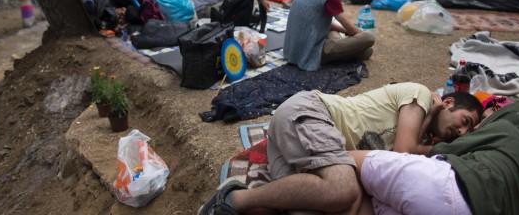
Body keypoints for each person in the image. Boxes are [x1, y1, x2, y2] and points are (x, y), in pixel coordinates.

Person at [198, 83, 484, 215]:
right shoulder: (419, 95)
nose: (460, 132)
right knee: (342, 189)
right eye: (464, 122)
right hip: (310, 112)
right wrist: (429, 131)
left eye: (467, 131)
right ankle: (233, 198)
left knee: (315, 207)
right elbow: (402, 153)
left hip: (296, 144)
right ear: (448, 103)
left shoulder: (425, 135)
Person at [350, 100, 519, 215]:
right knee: (367, 201)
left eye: (483, 121)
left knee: (346, 159)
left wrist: (429, 117)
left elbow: (408, 150)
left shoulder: (507, 130)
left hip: (449, 188)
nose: (473, 130)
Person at [283, 0, 375, 71]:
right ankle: (350, 52)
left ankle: (348, 50)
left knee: (359, 47)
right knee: (368, 38)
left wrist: (346, 33)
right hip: (310, 52)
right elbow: (353, 31)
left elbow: (321, 22)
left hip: (293, 50)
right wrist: (357, 37)